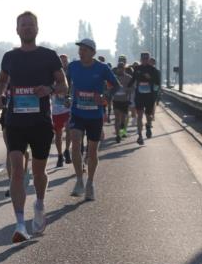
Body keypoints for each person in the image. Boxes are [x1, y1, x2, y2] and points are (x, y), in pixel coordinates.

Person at [0, 11, 68, 242]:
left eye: (31, 25)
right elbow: (1, 81)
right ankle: (20, 224)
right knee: (17, 169)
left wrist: (50, 89)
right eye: (23, 25)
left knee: (38, 172)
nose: (27, 28)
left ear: (37, 29)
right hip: (15, 121)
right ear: (17, 30)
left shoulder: (49, 56)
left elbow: (63, 84)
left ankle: (39, 204)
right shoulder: (9, 57)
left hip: (40, 123)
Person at [66, 39, 120, 200]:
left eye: (84, 50)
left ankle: (90, 182)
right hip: (77, 112)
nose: (80, 52)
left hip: (95, 115)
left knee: (92, 150)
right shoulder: (73, 66)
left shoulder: (102, 68)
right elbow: (66, 83)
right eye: (80, 49)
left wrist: (105, 97)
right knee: (75, 144)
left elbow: (116, 85)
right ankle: (79, 180)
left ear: (93, 52)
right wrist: (67, 96)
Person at [131, 52, 161, 144]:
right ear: (140, 59)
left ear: (148, 59)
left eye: (146, 59)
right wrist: (126, 87)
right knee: (139, 116)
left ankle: (148, 126)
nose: (144, 60)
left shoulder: (153, 70)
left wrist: (150, 78)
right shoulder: (137, 69)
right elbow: (132, 80)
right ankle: (140, 136)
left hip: (149, 97)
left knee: (148, 116)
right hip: (139, 96)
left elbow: (158, 83)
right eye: (143, 59)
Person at [111, 56, 134, 142]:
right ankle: (118, 135)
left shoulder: (128, 77)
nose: (120, 70)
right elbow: (109, 87)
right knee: (117, 118)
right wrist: (112, 91)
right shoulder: (113, 77)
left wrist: (127, 90)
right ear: (117, 69)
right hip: (116, 100)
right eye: (119, 68)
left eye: (122, 68)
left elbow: (132, 88)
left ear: (124, 69)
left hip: (125, 101)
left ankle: (122, 132)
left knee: (123, 119)